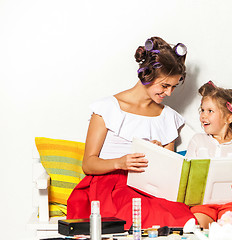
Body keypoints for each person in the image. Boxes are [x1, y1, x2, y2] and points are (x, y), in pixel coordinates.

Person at [67, 36, 195, 229]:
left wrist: (159, 155)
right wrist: (121, 162)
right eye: (165, 86)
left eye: (173, 87)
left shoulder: (168, 118)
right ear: (148, 76)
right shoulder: (108, 108)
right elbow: (88, 164)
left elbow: (168, 174)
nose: (169, 93)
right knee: (141, 214)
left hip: (147, 186)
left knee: (183, 217)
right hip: (110, 185)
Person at [185, 81, 232, 229]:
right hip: (202, 204)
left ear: (229, 118)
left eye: (210, 111)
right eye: (202, 110)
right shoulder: (197, 140)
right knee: (198, 228)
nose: (203, 116)